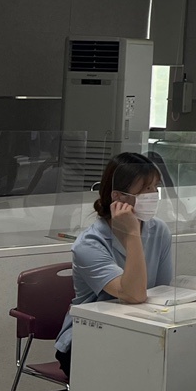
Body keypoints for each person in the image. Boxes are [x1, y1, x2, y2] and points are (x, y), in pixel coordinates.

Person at [53, 152, 173, 377]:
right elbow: (134, 294)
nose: (153, 195)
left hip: (140, 327)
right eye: (145, 189)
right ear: (118, 196)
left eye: (155, 188)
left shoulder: (159, 230)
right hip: (89, 336)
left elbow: (161, 291)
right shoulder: (89, 244)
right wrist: (133, 234)